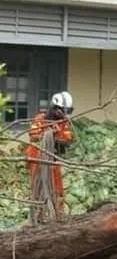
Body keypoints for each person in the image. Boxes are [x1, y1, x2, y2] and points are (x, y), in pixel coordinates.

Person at [26, 91, 74, 221]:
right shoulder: (41, 119)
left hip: (53, 157)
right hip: (37, 156)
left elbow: (67, 140)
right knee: (39, 185)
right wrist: (49, 133)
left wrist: (57, 137)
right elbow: (33, 137)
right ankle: (38, 215)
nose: (64, 114)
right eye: (63, 110)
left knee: (57, 187)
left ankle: (58, 215)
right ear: (55, 108)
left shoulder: (64, 122)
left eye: (68, 110)